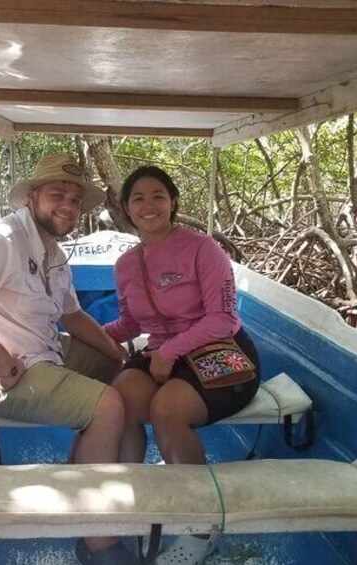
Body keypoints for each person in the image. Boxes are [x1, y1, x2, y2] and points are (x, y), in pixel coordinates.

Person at [0, 154, 137, 565]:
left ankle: (87, 485)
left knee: (124, 374)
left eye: (75, 200)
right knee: (107, 405)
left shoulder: (54, 253)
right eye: (57, 194)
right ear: (31, 196)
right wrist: (2, 362)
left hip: (43, 351)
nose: (68, 206)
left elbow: (73, 316)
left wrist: (119, 355)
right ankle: (97, 541)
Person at [104, 165, 261, 565]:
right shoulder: (126, 264)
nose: (148, 205)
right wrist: (81, 335)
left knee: (166, 409)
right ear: (126, 209)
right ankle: (134, 506)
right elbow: (129, 324)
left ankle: (200, 528)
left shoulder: (202, 248)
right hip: (161, 354)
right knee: (116, 401)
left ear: (173, 202)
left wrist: (170, 351)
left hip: (220, 349)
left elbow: (224, 317)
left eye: (158, 195)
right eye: (138, 198)